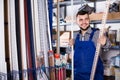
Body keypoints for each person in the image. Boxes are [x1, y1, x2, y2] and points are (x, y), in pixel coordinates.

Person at [69, 10, 111, 80]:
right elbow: (70, 55)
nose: (84, 22)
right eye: (81, 20)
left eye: (86, 19)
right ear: (77, 22)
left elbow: (108, 46)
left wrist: (105, 42)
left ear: (89, 20)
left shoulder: (97, 33)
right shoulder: (75, 35)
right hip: (78, 76)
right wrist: (70, 46)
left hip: (95, 76)